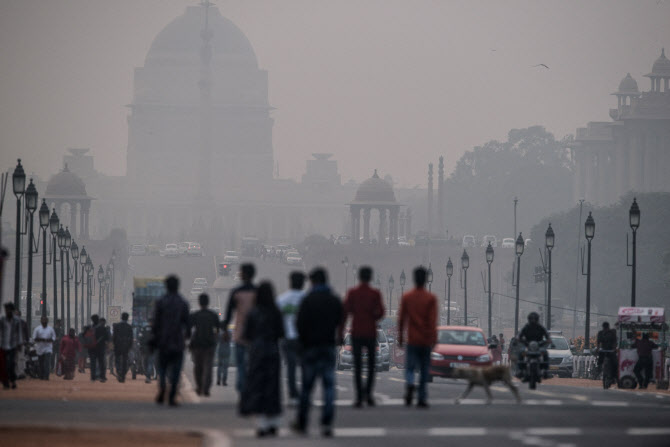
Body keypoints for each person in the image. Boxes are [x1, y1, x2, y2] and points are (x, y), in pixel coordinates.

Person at [292, 268, 343, 437]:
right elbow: (340, 319)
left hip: (311, 347)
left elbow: (299, 324)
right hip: (328, 346)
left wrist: (303, 342)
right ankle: (327, 421)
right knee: (329, 386)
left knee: (307, 387)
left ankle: (302, 421)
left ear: (314, 282)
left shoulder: (308, 300)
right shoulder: (334, 300)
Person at [241, 282, 285, 437]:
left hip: (257, 352)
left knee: (258, 385)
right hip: (272, 350)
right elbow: (281, 333)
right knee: (273, 386)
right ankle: (274, 421)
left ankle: (261, 423)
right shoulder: (276, 312)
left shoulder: (253, 313)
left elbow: (246, 335)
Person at [340, 266, 385, 407]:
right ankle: (369, 394)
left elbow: (345, 312)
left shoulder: (353, 293)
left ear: (359, 277)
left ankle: (359, 396)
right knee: (371, 366)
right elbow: (381, 312)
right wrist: (372, 317)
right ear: (370, 277)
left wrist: (340, 333)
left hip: (356, 332)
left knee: (358, 366)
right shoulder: (375, 293)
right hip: (371, 332)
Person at [397, 267, 437, 408]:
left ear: (414, 279)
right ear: (426, 279)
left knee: (410, 367)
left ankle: (409, 383)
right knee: (425, 369)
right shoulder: (431, 299)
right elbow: (433, 321)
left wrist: (400, 337)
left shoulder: (407, 297)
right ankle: (422, 396)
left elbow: (402, 319)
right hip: (425, 340)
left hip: (412, 339)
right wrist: (434, 338)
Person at [152, 275, 190, 406]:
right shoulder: (183, 303)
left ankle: (162, 386)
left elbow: (156, 323)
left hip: (163, 341)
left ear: (166, 286)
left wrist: (155, 338)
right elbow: (187, 324)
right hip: (177, 341)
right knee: (176, 370)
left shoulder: (161, 302)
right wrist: (187, 338)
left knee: (162, 368)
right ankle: (172, 395)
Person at [223, 263, 257, 395]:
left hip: (240, 334)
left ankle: (243, 391)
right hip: (255, 335)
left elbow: (228, 313)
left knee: (241, 366)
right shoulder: (257, 292)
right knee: (252, 365)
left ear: (244, 274)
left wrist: (225, 330)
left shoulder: (236, 292)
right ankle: (251, 389)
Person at [276, 271, 306, 402]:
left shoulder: (282, 300)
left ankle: (293, 393)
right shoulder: (307, 299)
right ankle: (305, 392)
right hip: (303, 338)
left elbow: (276, 320)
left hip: (287, 337)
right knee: (306, 367)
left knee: (291, 367)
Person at [189, 293, 219, 396]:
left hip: (197, 345)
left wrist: (189, 340)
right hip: (209, 345)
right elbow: (218, 329)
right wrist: (215, 338)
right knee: (208, 367)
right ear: (208, 302)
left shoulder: (195, 315)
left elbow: (189, 329)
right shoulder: (213, 315)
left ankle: (199, 386)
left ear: (199, 302)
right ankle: (206, 388)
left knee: (198, 367)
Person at [517, 312, 552, 378]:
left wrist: (548, 340)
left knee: (545, 353)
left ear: (537, 319)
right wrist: (519, 339)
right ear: (529, 319)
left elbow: (547, 336)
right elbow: (519, 336)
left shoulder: (541, 327)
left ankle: (546, 371)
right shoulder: (526, 327)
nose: (533, 320)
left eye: (535, 319)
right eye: (531, 319)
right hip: (528, 346)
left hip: (539, 347)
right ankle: (520, 370)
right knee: (521, 352)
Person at [0, 302, 24, 389]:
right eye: (6, 310)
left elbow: (19, 333)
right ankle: (5, 382)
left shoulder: (17, 321)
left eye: (9, 310)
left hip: (13, 345)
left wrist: (20, 343)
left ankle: (12, 380)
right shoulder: (2, 320)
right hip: (3, 345)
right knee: (3, 365)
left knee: (11, 364)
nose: (7, 311)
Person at [87, 314, 109, 382]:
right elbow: (107, 339)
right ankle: (102, 377)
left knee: (93, 363)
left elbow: (86, 339)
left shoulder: (90, 328)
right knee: (101, 363)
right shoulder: (103, 328)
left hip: (92, 349)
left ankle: (93, 377)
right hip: (100, 348)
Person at [113, 312, 134, 382]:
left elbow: (114, 337)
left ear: (121, 317)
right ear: (127, 318)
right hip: (126, 347)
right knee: (125, 361)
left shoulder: (117, 326)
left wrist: (114, 345)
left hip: (117, 346)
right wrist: (130, 346)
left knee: (117, 360)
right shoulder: (129, 327)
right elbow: (131, 338)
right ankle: (123, 374)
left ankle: (119, 372)